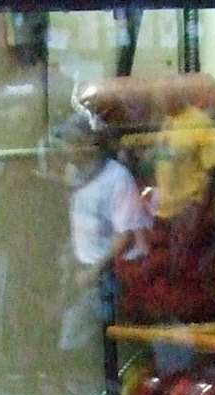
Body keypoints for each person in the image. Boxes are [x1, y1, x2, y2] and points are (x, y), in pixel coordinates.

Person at [51, 110, 148, 351]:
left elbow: (126, 237)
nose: (65, 150)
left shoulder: (117, 178)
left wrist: (93, 271)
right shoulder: (75, 175)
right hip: (82, 273)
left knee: (91, 346)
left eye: (71, 143)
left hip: (108, 278)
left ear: (89, 145)